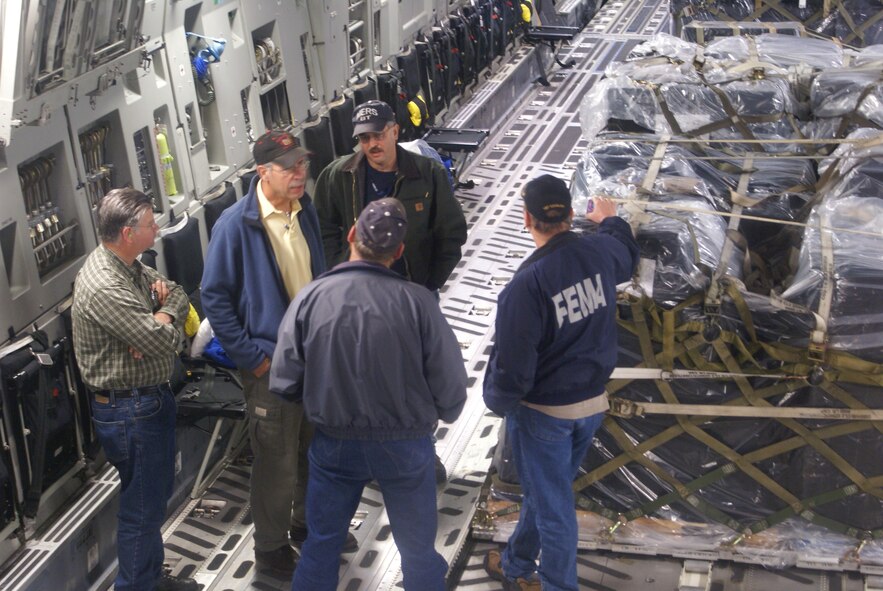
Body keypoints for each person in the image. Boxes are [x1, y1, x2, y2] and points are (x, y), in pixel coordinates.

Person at [270, 198, 468, 591]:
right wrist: (445, 411)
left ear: (350, 237)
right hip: (406, 447)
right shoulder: (419, 303)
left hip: (334, 444)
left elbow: (284, 380)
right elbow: (450, 385)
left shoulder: (311, 297)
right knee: (417, 552)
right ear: (398, 252)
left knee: (321, 546)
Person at [201, 130, 355, 575]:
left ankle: (306, 525)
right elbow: (215, 299)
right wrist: (256, 360)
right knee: (277, 461)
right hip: (270, 365)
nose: (299, 174)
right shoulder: (235, 225)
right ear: (262, 171)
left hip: (313, 358)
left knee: (314, 448)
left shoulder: (304, 211)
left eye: (302, 165)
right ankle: (269, 549)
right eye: (289, 167)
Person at [482, 176, 640, 591]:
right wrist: (611, 220)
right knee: (544, 494)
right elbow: (625, 253)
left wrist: (496, 401)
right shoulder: (598, 253)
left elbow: (513, 371)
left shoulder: (526, 285)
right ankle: (516, 564)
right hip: (589, 407)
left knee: (555, 513)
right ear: (571, 215)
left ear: (526, 219)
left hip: (544, 417)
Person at [71, 188, 196, 591]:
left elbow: (175, 293)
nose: (157, 228)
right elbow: (161, 343)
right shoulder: (104, 283)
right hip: (131, 411)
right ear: (128, 232)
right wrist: (158, 328)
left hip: (146, 401)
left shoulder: (128, 266)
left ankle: (151, 580)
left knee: (151, 501)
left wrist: (161, 314)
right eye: (149, 224)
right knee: (142, 509)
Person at [313, 99, 467, 292]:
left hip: (412, 288)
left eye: (378, 135)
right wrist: (339, 270)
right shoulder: (338, 175)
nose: (372, 144)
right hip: (357, 290)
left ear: (394, 132)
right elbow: (323, 229)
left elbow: (452, 232)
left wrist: (430, 284)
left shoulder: (428, 173)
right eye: (365, 138)